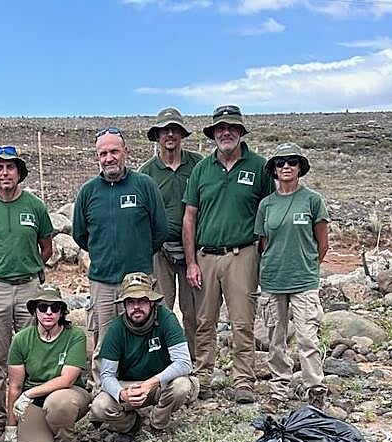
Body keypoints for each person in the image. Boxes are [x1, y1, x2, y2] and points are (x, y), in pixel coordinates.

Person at [182, 105, 274, 404]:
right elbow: (190, 217)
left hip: (243, 254)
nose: (226, 132)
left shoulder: (259, 167)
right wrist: (191, 261)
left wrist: (261, 251)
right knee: (204, 319)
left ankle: (243, 380)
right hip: (206, 256)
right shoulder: (201, 169)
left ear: (240, 132)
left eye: (231, 128)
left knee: (242, 321)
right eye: (220, 128)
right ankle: (203, 376)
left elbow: (269, 211)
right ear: (213, 134)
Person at [0, 146, 55, 442]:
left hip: (30, 287)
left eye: (10, 167)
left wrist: (29, 268)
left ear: (19, 172)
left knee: (34, 351)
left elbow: (47, 247)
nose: (5, 173)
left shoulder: (35, 206)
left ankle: (31, 413)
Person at [72, 127, 167, 364]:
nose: (109, 158)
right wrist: (103, 254)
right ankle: (104, 392)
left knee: (143, 336)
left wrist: (138, 255)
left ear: (125, 151)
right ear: (97, 157)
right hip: (102, 281)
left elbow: (160, 230)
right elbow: (80, 235)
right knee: (104, 339)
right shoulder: (88, 192)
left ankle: (144, 389)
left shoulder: (144, 185)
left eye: (114, 151)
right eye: (103, 153)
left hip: (138, 281)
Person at [255, 142, 330, 410]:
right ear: (273, 169)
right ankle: (278, 390)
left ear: (300, 167)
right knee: (275, 339)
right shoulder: (267, 205)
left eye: (292, 162)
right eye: (280, 162)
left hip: (304, 281)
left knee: (308, 337)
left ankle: (315, 389)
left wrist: (307, 266)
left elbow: (322, 243)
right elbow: (262, 243)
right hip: (273, 280)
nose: (286, 166)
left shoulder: (312, 200)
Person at [89, 273, 196, 442]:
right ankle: (131, 425)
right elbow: (107, 375)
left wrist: (150, 383)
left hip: (159, 383)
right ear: (124, 305)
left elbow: (184, 363)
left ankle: (157, 424)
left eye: (142, 301)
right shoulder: (116, 329)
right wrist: (122, 394)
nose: (136, 307)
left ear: (152, 302)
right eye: (130, 302)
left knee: (182, 385)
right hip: (129, 385)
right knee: (99, 407)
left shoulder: (167, 318)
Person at [5, 285, 91, 442]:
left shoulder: (75, 336)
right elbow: (15, 386)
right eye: (43, 307)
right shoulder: (21, 339)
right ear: (35, 311)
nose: (49, 312)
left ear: (62, 312)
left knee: (58, 402)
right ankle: (46, 431)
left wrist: (29, 394)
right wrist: (10, 427)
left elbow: (67, 379)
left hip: (68, 393)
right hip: (33, 403)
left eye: (55, 308)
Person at [139, 108, 202, 352]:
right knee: (161, 307)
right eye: (165, 130)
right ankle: (164, 358)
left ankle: (196, 359)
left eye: (175, 129)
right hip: (160, 250)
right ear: (157, 136)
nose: (170, 135)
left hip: (193, 250)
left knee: (193, 309)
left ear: (182, 134)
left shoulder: (198, 165)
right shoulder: (146, 173)